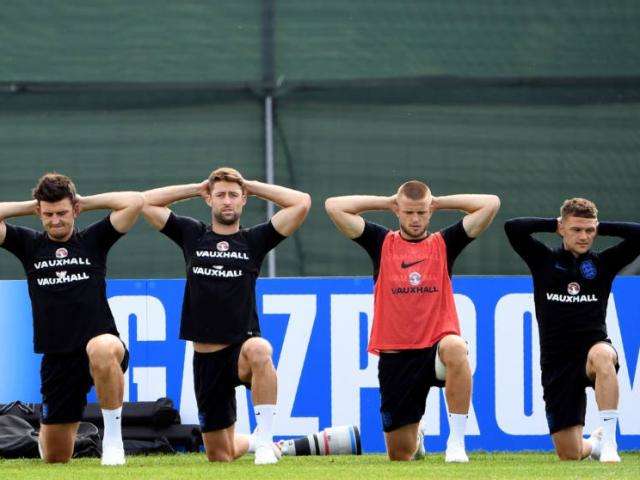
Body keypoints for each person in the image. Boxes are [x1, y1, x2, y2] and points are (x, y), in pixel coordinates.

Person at [142, 167, 311, 465]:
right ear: (209, 199)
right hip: (206, 360)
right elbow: (146, 203)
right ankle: (256, 441)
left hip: (241, 351)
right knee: (220, 456)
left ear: (243, 199)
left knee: (260, 349)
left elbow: (301, 203)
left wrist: (252, 185)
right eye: (220, 195)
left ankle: (265, 440)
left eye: (234, 195)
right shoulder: (193, 234)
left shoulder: (253, 240)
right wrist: (197, 186)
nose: (227, 201)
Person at [325, 181, 500, 462]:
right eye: (408, 212)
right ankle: (416, 438)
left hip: (436, 349)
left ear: (430, 212)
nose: (415, 219)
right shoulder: (381, 242)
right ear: (398, 211)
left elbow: (490, 202)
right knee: (399, 454)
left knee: (456, 346)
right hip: (397, 356)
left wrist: (439, 200)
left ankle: (455, 443)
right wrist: (387, 201)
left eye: (421, 212)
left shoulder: (444, 243)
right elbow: (334, 205)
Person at [0, 173, 144, 465]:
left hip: (102, 344)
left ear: (74, 210)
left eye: (63, 213)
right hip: (58, 356)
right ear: (40, 213)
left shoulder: (92, 240)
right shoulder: (29, 244)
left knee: (101, 348)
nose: (56, 220)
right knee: (54, 458)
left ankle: (113, 441)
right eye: (49, 214)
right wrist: (33, 205)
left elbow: (134, 202)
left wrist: (83, 202)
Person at [505, 198, 640, 463]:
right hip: (557, 362)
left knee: (603, 357)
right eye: (577, 229)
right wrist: (554, 223)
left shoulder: (604, 263)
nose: (584, 236)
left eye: (590, 231)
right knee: (570, 454)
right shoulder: (543, 260)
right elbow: (513, 227)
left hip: (593, 348)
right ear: (562, 228)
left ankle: (611, 443)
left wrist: (601, 226)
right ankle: (596, 445)